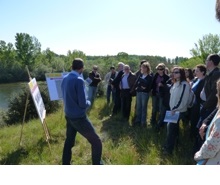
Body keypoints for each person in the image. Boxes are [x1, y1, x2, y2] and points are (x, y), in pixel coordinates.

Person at [61, 58, 102, 165]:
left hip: (68, 115)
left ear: (72, 67)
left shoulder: (65, 78)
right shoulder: (79, 80)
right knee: (97, 142)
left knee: (69, 142)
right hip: (78, 118)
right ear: (82, 68)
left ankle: (65, 164)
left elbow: (65, 96)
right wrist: (89, 102)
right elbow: (83, 104)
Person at [162, 67, 190, 155]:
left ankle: (168, 149)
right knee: (174, 129)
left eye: (177, 72)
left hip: (178, 110)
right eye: (173, 72)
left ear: (181, 73)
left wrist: (175, 109)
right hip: (173, 110)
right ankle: (175, 145)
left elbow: (183, 99)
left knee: (170, 128)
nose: (174, 74)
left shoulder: (185, 84)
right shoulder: (175, 83)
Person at [196, 54, 220, 151]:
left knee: (204, 131)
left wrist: (205, 106)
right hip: (206, 106)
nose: (205, 62)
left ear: (211, 62)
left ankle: (202, 154)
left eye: (207, 60)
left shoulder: (216, 74)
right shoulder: (210, 74)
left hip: (210, 108)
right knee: (200, 129)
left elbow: (214, 94)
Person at [194, 79, 220, 165]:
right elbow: (216, 110)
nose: (216, 95)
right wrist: (205, 123)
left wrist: (198, 156)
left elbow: (212, 146)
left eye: (217, 91)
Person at [133, 62, 153, 127]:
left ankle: (143, 122)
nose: (142, 68)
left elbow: (150, 86)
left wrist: (145, 87)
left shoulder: (150, 77)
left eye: (144, 67)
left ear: (147, 68)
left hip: (145, 93)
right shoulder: (140, 75)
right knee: (138, 107)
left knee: (143, 108)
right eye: (142, 67)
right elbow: (136, 83)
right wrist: (136, 87)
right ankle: (138, 120)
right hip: (138, 92)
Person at [150, 63, 169, 127]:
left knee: (161, 109)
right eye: (158, 69)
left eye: (160, 69)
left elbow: (168, 87)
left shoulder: (166, 77)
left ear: (163, 69)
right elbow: (152, 84)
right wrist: (152, 90)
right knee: (154, 108)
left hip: (162, 95)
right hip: (155, 93)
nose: (159, 70)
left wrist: (162, 85)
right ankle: (152, 120)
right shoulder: (156, 75)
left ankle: (160, 123)